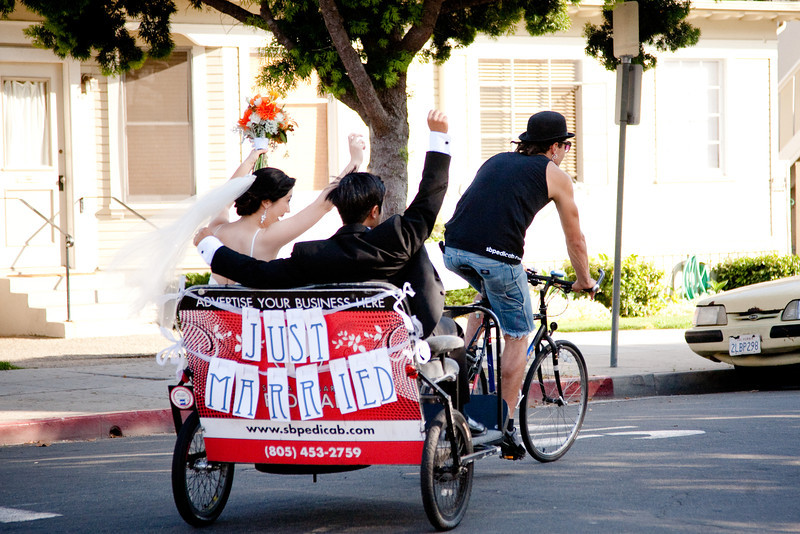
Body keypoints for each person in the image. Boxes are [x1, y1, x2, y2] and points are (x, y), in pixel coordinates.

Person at [194, 110, 450, 338]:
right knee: (451, 330)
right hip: (391, 340)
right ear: (375, 211)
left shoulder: (311, 256)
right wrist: (438, 138)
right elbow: (429, 198)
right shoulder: (397, 240)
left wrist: (209, 247)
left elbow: (257, 272)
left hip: (332, 346)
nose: (289, 208)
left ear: (339, 207)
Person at [442, 110, 596, 459]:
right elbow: (576, 240)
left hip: (453, 249)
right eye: (567, 145)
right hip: (496, 257)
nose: (566, 152)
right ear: (555, 147)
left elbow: (486, 211)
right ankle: (506, 425)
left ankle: (464, 360)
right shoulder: (555, 175)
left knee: (487, 299)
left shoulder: (497, 160)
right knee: (517, 332)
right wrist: (584, 280)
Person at [206, 134, 365, 284]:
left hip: (212, 312)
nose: (288, 209)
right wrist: (355, 161)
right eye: (287, 200)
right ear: (267, 202)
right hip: (248, 313)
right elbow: (322, 205)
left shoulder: (216, 228)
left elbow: (225, 196)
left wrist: (250, 160)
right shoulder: (267, 238)